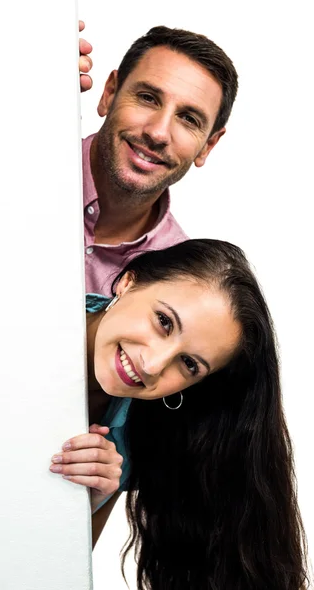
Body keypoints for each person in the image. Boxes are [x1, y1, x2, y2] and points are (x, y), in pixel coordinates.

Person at [50, 239, 308, 589]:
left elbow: (49, 571)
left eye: (188, 364)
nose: (153, 365)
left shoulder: (127, 443)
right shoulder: (27, 315)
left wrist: (79, 501)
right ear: (128, 283)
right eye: (163, 322)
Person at [79, 23, 239, 295]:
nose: (158, 133)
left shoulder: (182, 285)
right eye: (147, 98)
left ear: (208, 145)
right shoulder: (18, 160)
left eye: (189, 119)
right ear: (109, 93)